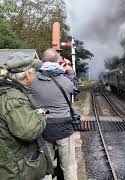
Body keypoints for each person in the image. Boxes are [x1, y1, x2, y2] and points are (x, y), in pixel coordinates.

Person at [0, 56, 53, 179]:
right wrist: (41, 116)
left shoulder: (8, 89)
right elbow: (29, 131)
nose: (35, 76)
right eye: (34, 72)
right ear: (28, 74)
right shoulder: (13, 98)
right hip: (15, 168)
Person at [31, 48, 79, 180]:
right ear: (57, 61)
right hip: (64, 127)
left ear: (42, 60)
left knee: (47, 166)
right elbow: (75, 88)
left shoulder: (33, 81)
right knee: (69, 165)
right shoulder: (64, 80)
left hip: (43, 127)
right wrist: (69, 69)